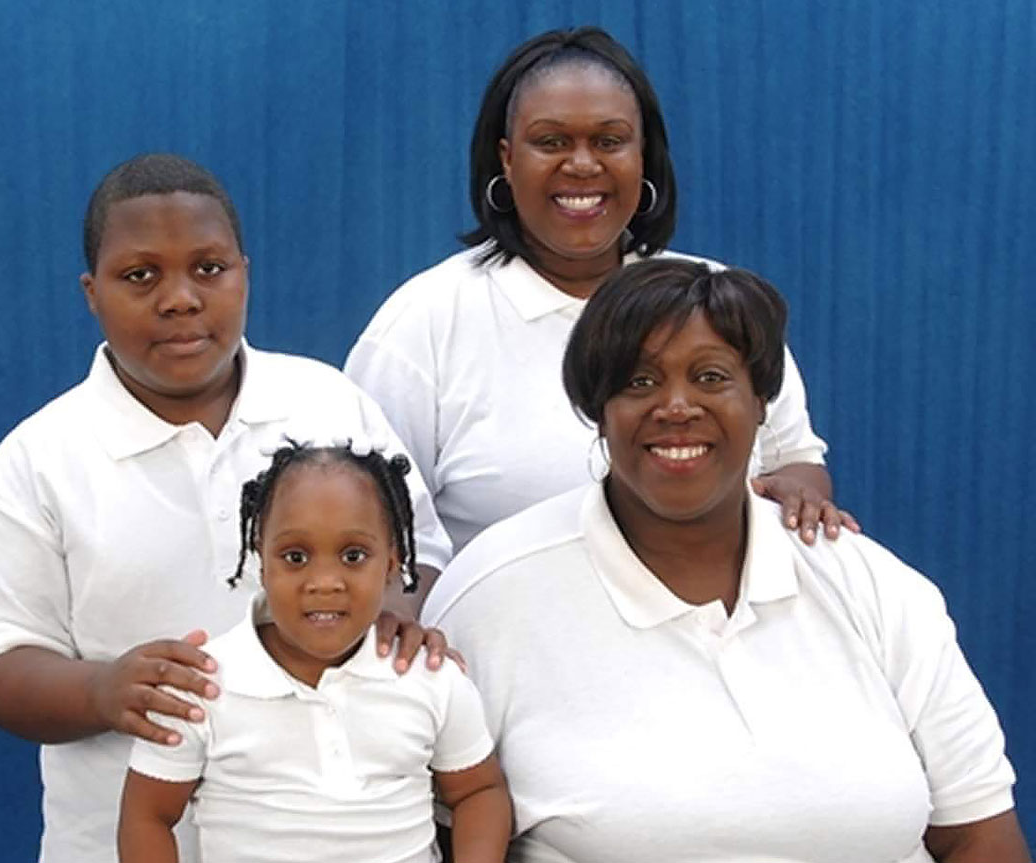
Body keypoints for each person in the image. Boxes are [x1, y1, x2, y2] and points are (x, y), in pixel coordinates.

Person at [421, 259, 1027, 862]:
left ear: (763, 402)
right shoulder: (496, 595)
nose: (677, 406)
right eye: (639, 382)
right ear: (596, 409)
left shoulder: (874, 587)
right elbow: (443, 832)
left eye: (711, 378)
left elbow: (979, 835)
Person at [0, 154, 454, 863]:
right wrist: (101, 689)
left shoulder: (328, 404)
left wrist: (400, 607)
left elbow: (419, 550)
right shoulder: (39, 460)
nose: (180, 298)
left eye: (209, 268)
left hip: (353, 840)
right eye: (140, 275)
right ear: (92, 292)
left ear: (245, 271)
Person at [345, 26, 857, 555]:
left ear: (643, 156)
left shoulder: (712, 299)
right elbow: (370, 528)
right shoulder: (424, 321)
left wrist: (800, 495)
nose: (584, 165)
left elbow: (793, 460)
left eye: (609, 141)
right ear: (506, 158)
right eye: (551, 142)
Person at [119, 441, 510, 863]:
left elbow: (478, 791)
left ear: (392, 563)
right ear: (260, 559)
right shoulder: (202, 684)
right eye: (296, 556)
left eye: (353, 555)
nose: (325, 581)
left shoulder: (430, 676)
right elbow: (148, 814)